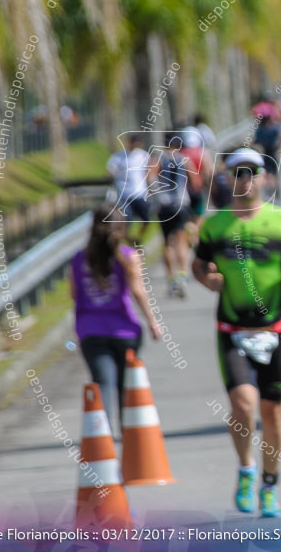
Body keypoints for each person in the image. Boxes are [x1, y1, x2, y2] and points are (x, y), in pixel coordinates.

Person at [192, 148, 281, 517]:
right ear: (228, 178)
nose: (245, 179)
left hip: (275, 329)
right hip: (232, 329)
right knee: (243, 404)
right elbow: (198, 265)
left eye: (252, 172)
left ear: (264, 177)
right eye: (237, 173)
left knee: (272, 412)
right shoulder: (215, 225)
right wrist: (208, 280)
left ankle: (270, 483)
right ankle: (247, 468)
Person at [71, 203, 161, 434]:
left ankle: (103, 440)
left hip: (90, 331)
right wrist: (152, 321)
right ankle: (129, 440)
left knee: (102, 383)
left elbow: (74, 294)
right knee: (125, 388)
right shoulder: (128, 256)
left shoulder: (79, 259)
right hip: (125, 331)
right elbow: (138, 291)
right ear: (121, 228)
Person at [149, 133, 192, 297]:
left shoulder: (159, 158)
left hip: (165, 206)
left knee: (167, 242)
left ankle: (171, 278)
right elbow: (195, 180)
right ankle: (182, 274)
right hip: (181, 204)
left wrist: (158, 195)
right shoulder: (183, 159)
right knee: (181, 240)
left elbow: (150, 178)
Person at [106, 134, 152, 244]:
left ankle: (137, 238)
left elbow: (149, 173)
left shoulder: (143, 156)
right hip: (124, 194)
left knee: (147, 220)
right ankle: (128, 242)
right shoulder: (118, 157)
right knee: (126, 221)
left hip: (140, 193)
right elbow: (109, 172)